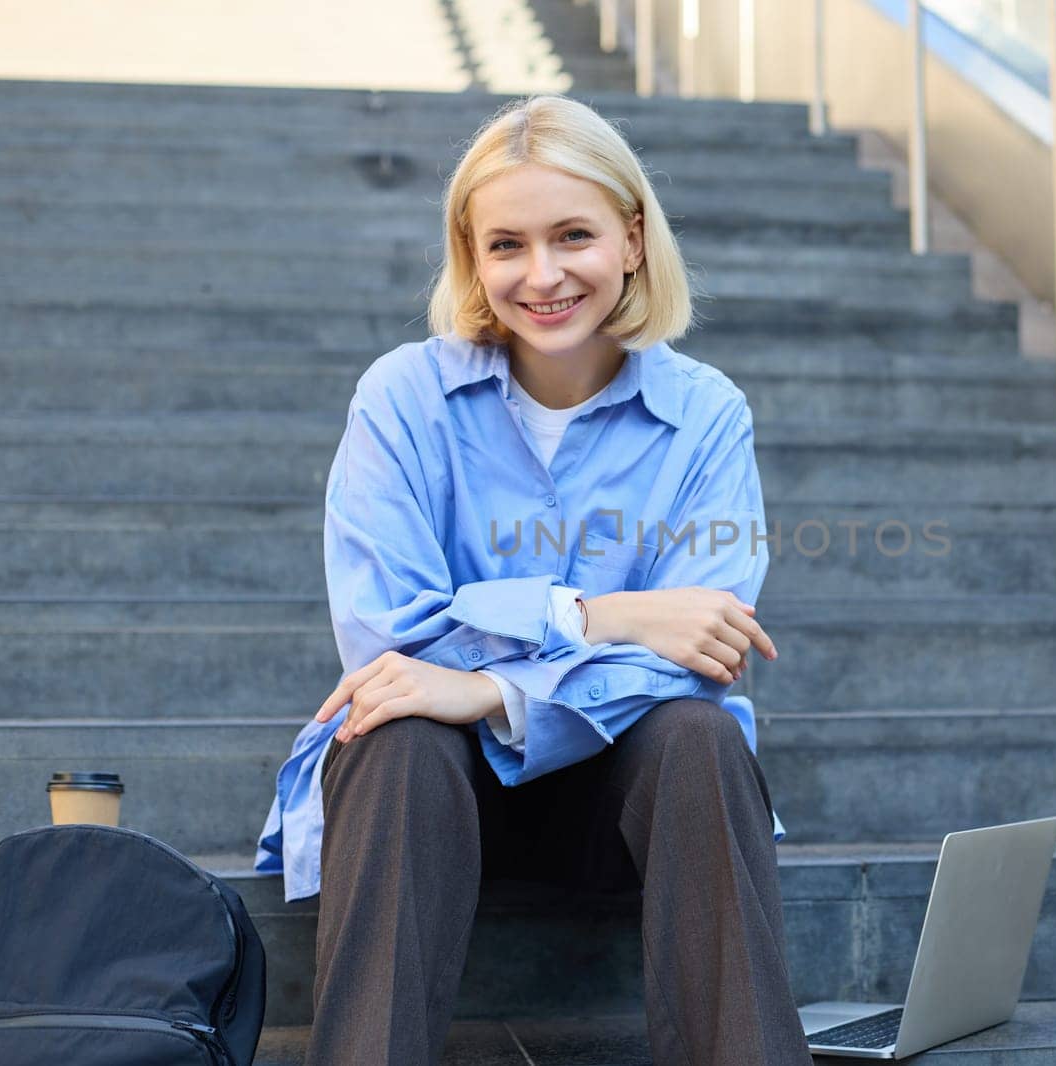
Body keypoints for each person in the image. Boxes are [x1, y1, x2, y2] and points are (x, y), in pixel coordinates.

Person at [252, 92, 815, 1066]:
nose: (542, 274)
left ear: (633, 239)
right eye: (505, 243)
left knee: (700, 737)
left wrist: (491, 683)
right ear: (470, 255)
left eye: (573, 236)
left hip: (626, 802)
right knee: (398, 732)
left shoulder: (705, 414)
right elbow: (392, 638)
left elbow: (702, 652)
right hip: (426, 804)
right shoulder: (402, 400)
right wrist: (605, 614)